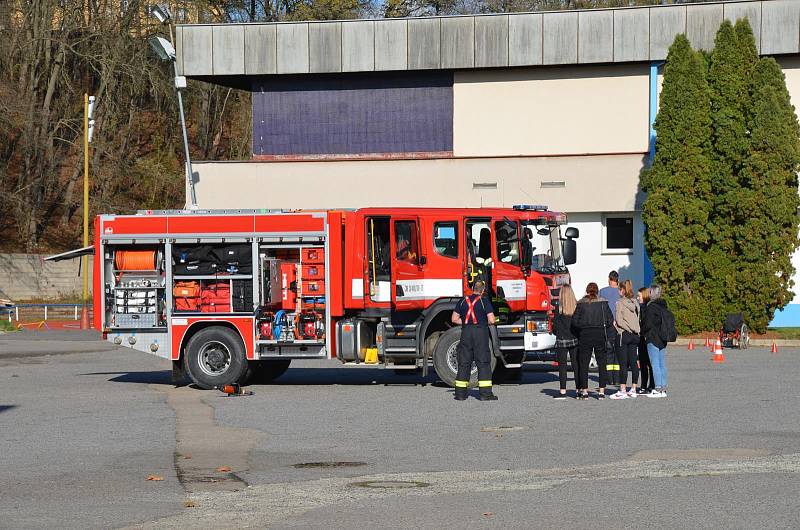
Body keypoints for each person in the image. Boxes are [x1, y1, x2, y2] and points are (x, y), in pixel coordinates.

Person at [451, 280, 497, 401]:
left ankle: (460, 394)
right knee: (483, 362)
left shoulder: (462, 301)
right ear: (482, 290)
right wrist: (481, 323)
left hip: (466, 332)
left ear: (472, 288)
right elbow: (492, 320)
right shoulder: (484, 301)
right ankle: (485, 394)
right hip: (480, 332)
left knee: (464, 362)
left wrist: (467, 323)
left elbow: (454, 319)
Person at [572, 282, 614, 400]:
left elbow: (575, 321)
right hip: (600, 334)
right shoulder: (603, 303)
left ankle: (585, 391)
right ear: (597, 291)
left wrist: (582, 326)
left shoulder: (581, 304)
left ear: (587, 291)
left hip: (585, 335)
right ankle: (601, 392)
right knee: (602, 364)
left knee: (584, 364)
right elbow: (610, 319)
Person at [610, 280, 640, 399]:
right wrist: (634, 328)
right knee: (633, 362)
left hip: (624, 334)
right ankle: (633, 388)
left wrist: (619, 327)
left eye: (619, 289)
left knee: (623, 363)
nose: (618, 291)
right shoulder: (635, 302)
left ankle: (622, 389)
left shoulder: (620, 303)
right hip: (635, 335)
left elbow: (619, 320)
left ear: (622, 290)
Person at [641, 284, 669, 398]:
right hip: (663, 338)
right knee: (662, 363)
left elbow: (647, 324)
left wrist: (642, 331)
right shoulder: (663, 306)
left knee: (655, 363)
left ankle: (657, 388)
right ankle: (663, 388)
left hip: (652, 337)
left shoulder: (651, 307)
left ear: (652, 293)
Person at [552, 284, 579, 400]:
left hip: (562, 339)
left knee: (562, 367)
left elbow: (555, 326)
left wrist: (556, 332)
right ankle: (579, 390)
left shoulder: (558, 307)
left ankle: (563, 391)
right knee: (576, 365)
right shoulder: (576, 306)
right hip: (574, 338)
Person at [598, 271, 621, 386]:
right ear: (617, 279)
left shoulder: (602, 291)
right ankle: (617, 379)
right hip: (620, 326)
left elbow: (600, 309)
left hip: (607, 325)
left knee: (608, 352)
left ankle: (608, 378)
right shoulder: (621, 292)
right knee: (618, 352)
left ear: (609, 279)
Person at [637, 287, 654, 394]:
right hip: (642, 339)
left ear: (644, 295)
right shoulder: (641, 307)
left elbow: (646, 324)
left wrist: (641, 330)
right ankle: (643, 385)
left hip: (646, 338)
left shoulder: (647, 308)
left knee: (649, 363)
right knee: (643, 363)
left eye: (639, 296)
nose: (637, 298)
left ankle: (651, 385)